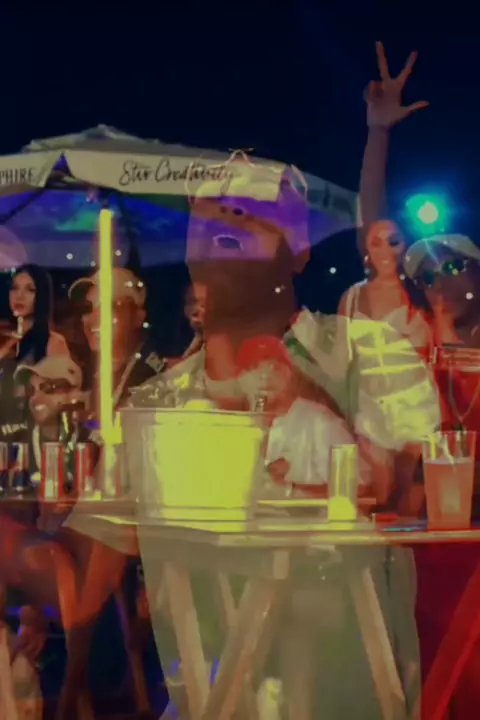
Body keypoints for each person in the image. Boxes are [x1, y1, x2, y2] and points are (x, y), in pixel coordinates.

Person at [405, 232, 480, 718]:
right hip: (438, 538)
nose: (439, 284)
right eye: (427, 278)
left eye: (452, 268)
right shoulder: (418, 354)